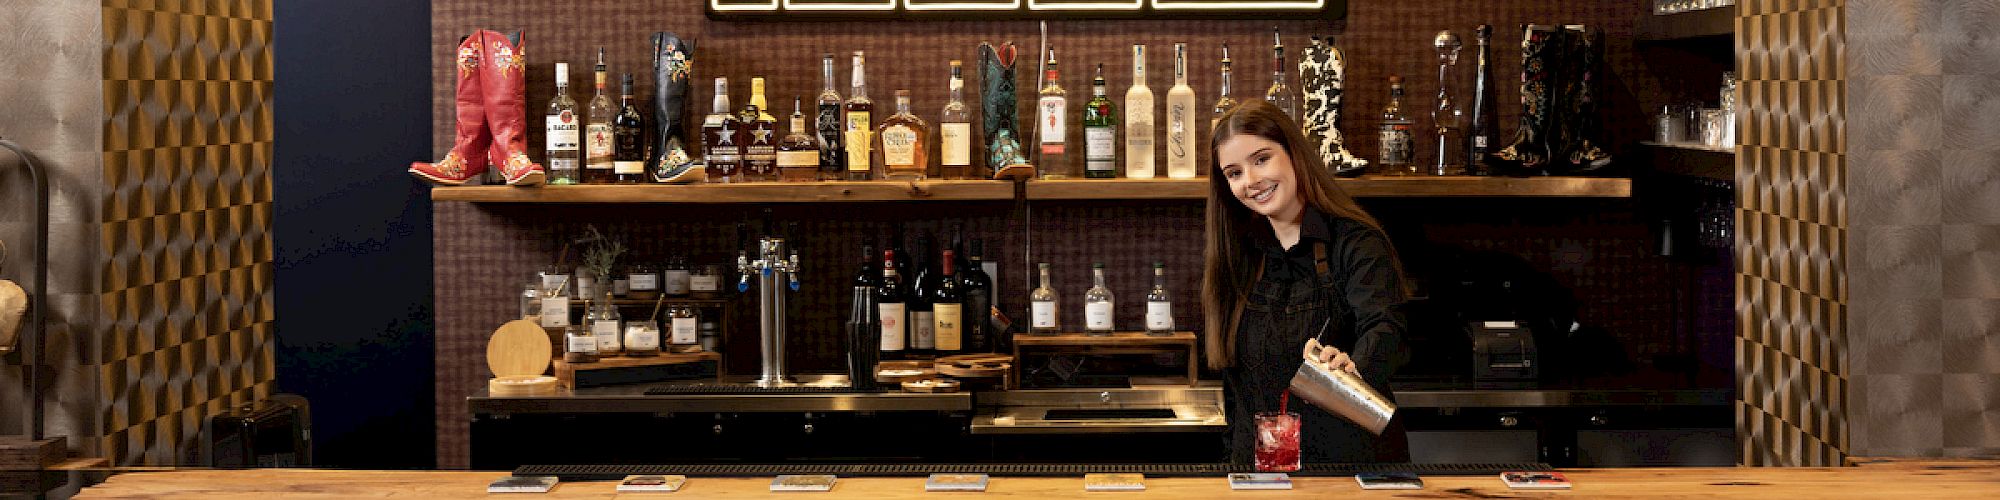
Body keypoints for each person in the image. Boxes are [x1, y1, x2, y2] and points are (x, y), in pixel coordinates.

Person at [1202, 99, 1411, 464]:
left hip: (1351, 471)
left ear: (1294, 154)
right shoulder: (1238, 256)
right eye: (1234, 173)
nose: (1251, 181)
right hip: (1259, 474)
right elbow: (1236, 390)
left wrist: (1353, 366)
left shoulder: (1355, 242)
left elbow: (1386, 328)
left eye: (1261, 159)